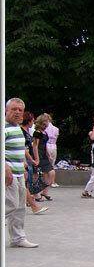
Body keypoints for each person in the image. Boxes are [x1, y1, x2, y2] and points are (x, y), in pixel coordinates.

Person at [5, 97, 38, 248]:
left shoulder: (17, 128)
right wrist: (5, 167)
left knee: (19, 207)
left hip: (18, 173)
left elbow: (18, 149)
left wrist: (24, 165)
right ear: (6, 110)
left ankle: (18, 238)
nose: (18, 113)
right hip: (8, 174)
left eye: (20, 110)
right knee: (9, 204)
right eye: (14, 109)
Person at [21, 111, 47, 215]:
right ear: (29, 121)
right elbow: (22, 147)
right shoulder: (21, 131)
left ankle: (30, 203)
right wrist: (31, 159)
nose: (33, 122)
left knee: (23, 182)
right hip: (22, 158)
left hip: (25, 158)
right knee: (23, 182)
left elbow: (31, 146)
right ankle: (33, 205)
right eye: (32, 120)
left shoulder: (27, 131)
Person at [31, 114, 54, 201]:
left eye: (46, 125)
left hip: (44, 154)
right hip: (38, 154)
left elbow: (45, 145)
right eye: (44, 124)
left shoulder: (44, 132)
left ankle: (44, 192)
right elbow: (35, 146)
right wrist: (36, 158)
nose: (45, 126)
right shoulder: (37, 132)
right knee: (35, 175)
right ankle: (36, 194)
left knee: (51, 173)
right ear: (40, 123)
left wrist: (48, 154)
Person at [45, 113, 60, 185]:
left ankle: (47, 181)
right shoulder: (56, 129)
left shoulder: (44, 128)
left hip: (47, 145)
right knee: (52, 164)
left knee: (46, 164)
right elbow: (56, 138)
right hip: (54, 146)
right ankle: (52, 181)